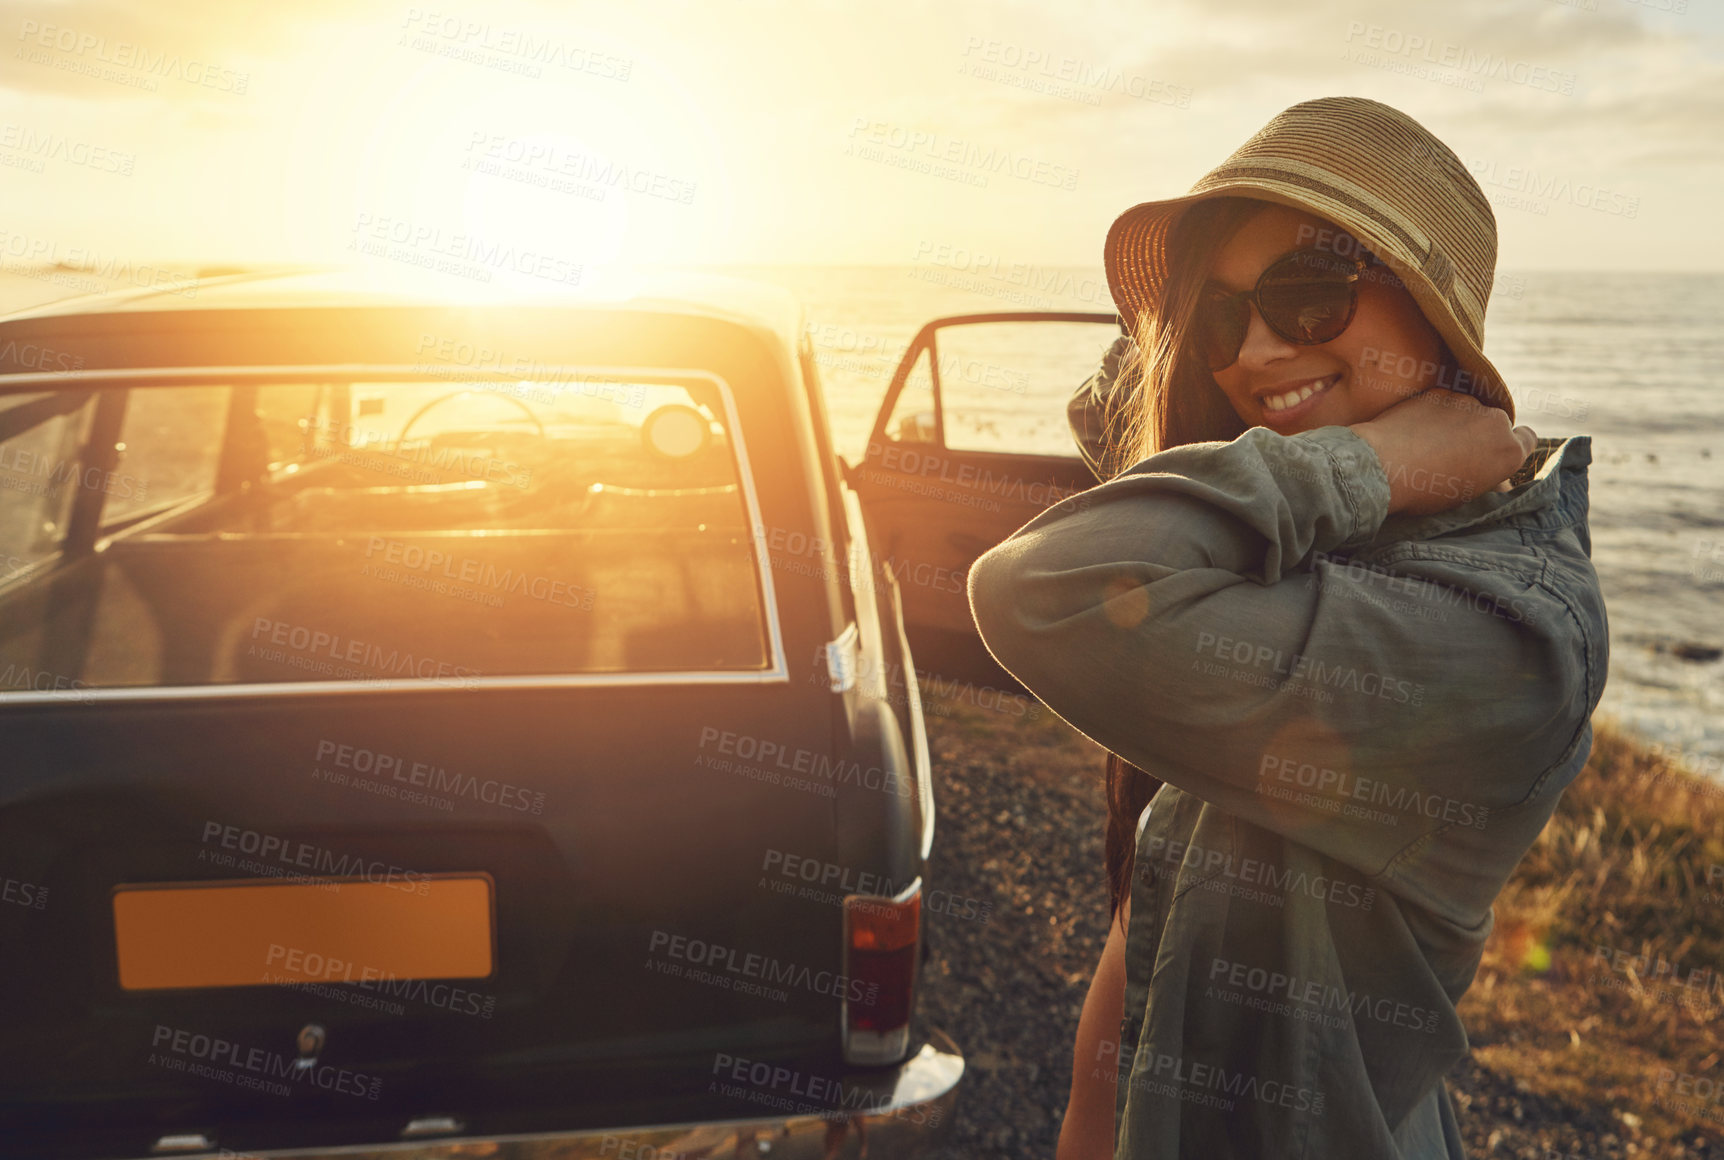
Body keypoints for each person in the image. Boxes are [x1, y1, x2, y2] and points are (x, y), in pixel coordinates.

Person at [966, 96, 1610, 1158]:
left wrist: (1369, 462)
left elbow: (1039, 590)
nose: (1252, 352)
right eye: (1219, 319)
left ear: (1434, 315)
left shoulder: (1508, 635)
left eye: (1309, 295)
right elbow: (1118, 396)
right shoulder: (1312, 533)